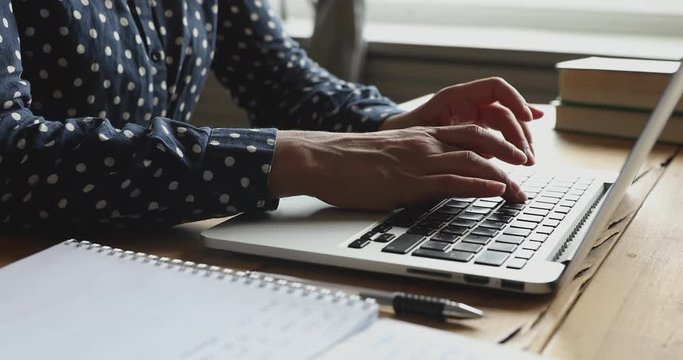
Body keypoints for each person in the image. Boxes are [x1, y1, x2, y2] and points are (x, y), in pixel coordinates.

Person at [0, 0, 543, 232]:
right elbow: (9, 155)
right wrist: (305, 157)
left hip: (141, 256)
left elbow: (281, 79)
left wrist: (387, 126)